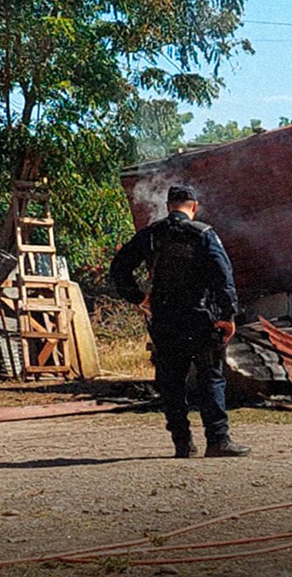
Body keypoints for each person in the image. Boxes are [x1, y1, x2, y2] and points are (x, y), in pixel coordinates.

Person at [110, 185, 250, 459]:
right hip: (200, 318)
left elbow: (119, 268)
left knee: (172, 381)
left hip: (165, 319)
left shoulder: (151, 234)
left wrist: (138, 297)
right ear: (194, 206)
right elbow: (223, 276)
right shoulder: (204, 234)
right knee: (211, 377)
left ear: (168, 206)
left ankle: (182, 443)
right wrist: (227, 315)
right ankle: (218, 440)